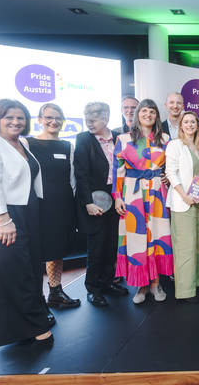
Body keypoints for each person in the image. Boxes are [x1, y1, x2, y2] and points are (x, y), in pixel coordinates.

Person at [0, 99, 53, 347]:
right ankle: (32, 326)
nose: (15, 122)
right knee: (14, 272)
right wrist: (4, 220)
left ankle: (31, 319)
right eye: (9, 117)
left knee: (30, 268)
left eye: (20, 118)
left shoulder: (22, 143)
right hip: (4, 216)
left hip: (28, 211)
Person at [113, 99, 173, 304]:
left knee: (157, 236)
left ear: (157, 116)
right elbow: (118, 171)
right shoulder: (123, 139)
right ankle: (141, 285)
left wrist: (167, 178)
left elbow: (171, 167)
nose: (148, 115)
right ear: (138, 114)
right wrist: (118, 197)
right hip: (133, 194)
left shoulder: (165, 138)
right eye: (144, 111)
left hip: (157, 193)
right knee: (137, 239)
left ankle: (156, 284)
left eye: (152, 112)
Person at [26, 103, 80, 309]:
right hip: (39, 207)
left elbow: (72, 179)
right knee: (36, 253)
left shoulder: (67, 146)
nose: (53, 121)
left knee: (56, 250)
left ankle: (55, 292)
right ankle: (36, 299)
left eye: (58, 117)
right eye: (49, 117)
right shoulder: (28, 144)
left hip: (62, 206)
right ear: (40, 120)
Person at [74, 102, 128, 307]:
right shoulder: (83, 139)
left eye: (93, 119)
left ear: (105, 118)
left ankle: (107, 282)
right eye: (86, 119)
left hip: (117, 196)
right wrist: (88, 202)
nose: (89, 123)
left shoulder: (118, 137)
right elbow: (81, 175)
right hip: (95, 198)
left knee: (112, 243)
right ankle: (93, 288)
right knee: (97, 246)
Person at [165, 111, 199, 303]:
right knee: (185, 246)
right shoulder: (175, 145)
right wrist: (185, 196)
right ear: (181, 125)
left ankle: (197, 281)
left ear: (197, 126)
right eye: (187, 122)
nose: (190, 124)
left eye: (193, 122)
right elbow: (170, 173)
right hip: (183, 202)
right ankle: (185, 290)